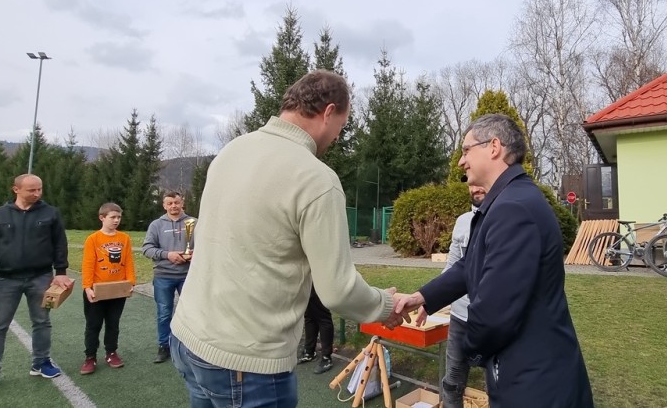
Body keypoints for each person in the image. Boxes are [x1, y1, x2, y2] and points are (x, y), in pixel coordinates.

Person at [169, 69, 409, 407]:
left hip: (188, 337)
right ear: (328, 112)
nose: (337, 137)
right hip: (246, 361)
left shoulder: (232, 150)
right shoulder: (316, 179)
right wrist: (383, 305)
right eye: (341, 126)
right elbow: (337, 290)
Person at [396, 114, 594, 407]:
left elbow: (494, 314)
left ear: (494, 147)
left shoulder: (513, 208)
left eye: (466, 150)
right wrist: (422, 298)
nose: (461, 162)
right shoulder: (506, 201)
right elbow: (470, 265)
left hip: (536, 385)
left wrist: (469, 349)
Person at [0, 174, 73, 390]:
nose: (37, 193)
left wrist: (61, 271)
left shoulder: (51, 213)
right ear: (16, 189)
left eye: (39, 189)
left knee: (42, 322)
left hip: (41, 277)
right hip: (5, 279)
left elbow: (59, 243)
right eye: (31, 190)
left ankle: (41, 363)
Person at [416, 184, 486, 408]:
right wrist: (429, 300)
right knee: (452, 383)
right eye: (471, 184)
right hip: (459, 317)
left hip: (490, 320)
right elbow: (452, 268)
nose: (475, 188)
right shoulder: (463, 221)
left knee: (497, 384)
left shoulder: (504, 221)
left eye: (480, 183)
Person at [80, 202, 136, 375]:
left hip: (117, 290)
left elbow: (128, 262)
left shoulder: (124, 238)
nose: (116, 220)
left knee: (113, 323)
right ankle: (90, 356)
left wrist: (130, 283)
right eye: (113, 217)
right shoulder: (93, 239)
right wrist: (87, 287)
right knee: (93, 324)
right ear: (102, 218)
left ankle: (111, 352)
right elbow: (88, 264)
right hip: (97, 290)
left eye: (119, 217)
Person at [142, 191, 194, 364]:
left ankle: (190, 346)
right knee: (164, 313)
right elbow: (147, 249)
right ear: (164, 205)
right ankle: (164, 345)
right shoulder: (156, 225)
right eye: (170, 203)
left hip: (188, 276)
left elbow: (207, 245)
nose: (173, 206)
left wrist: (195, 254)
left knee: (190, 312)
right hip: (163, 276)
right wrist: (167, 255)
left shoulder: (194, 223)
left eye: (176, 202)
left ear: (182, 203)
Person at [297, 285, 335, 374]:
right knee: (309, 316)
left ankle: (326, 358)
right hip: (305, 282)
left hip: (318, 281)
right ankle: (309, 352)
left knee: (323, 316)